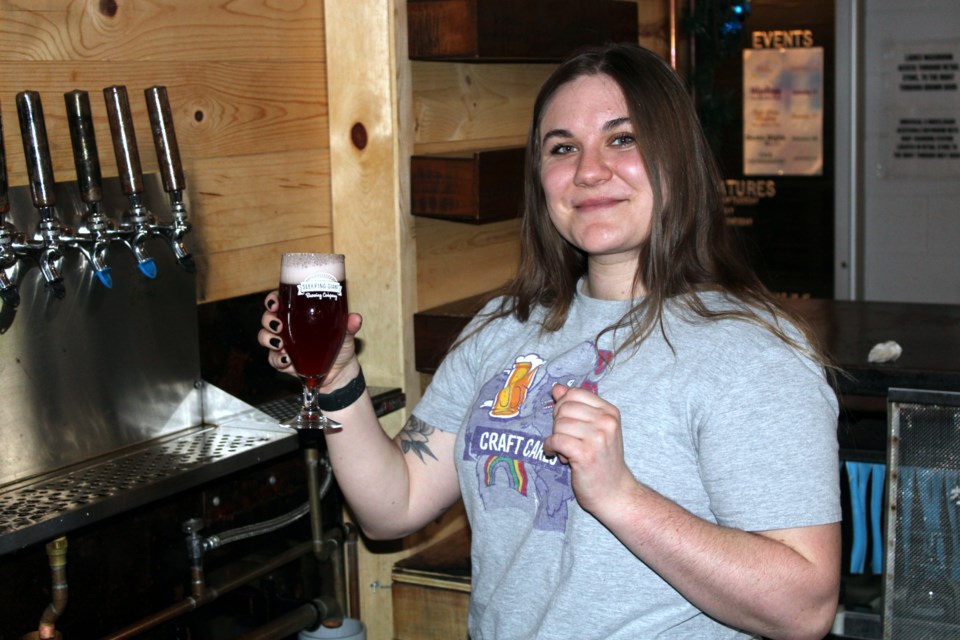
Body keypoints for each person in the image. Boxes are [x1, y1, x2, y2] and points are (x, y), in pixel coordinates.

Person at [260, 43, 841, 640]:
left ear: (678, 158)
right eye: (563, 148)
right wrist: (336, 380)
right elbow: (392, 509)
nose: (590, 170)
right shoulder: (503, 327)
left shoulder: (753, 354)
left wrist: (621, 496)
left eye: (623, 138)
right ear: (541, 180)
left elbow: (804, 608)